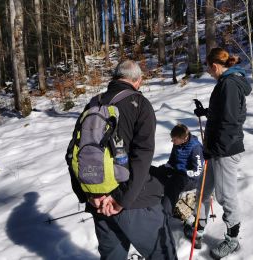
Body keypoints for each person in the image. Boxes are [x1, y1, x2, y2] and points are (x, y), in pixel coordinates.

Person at [69, 60, 178, 260]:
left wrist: (90, 195)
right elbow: (142, 157)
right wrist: (121, 199)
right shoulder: (139, 104)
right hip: (134, 202)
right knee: (163, 254)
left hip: (99, 202)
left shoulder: (93, 103)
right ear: (138, 81)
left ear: (115, 77)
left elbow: (73, 153)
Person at [184, 48, 252, 259]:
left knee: (225, 195)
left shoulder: (229, 84)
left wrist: (216, 148)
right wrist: (206, 112)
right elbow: (224, 113)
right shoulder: (226, 83)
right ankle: (199, 226)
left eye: (208, 67)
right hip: (216, 149)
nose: (208, 71)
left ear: (214, 66)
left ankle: (232, 239)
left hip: (224, 151)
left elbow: (231, 122)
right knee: (203, 190)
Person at [151, 123, 204, 217]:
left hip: (189, 178)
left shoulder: (196, 148)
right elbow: (171, 161)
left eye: (174, 139)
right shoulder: (177, 144)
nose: (172, 141)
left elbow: (198, 172)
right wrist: (164, 168)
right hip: (176, 171)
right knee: (152, 170)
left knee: (173, 184)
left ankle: (165, 214)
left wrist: (182, 171)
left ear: (184, 138)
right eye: (172, 138)